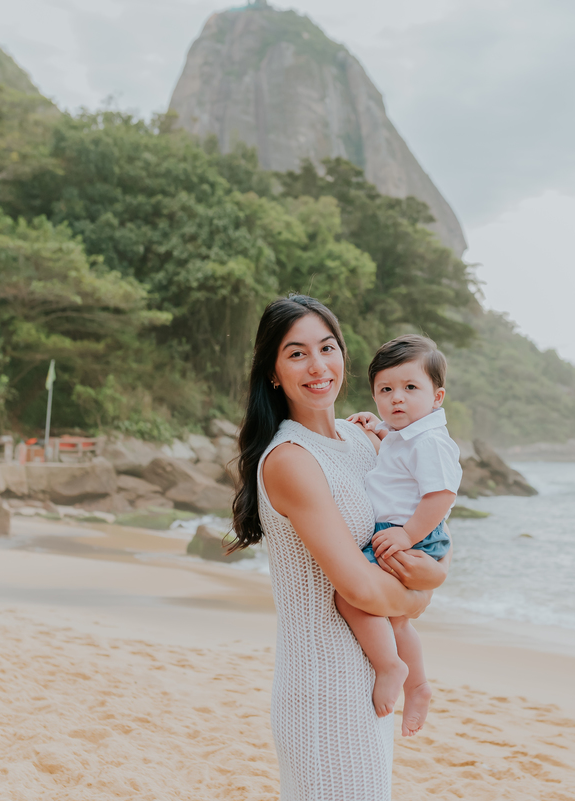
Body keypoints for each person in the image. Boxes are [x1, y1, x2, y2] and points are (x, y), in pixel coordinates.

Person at [231, 296, 451, 801]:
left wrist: (433, 575)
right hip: (323, 689)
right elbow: (356, 586)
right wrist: (420, 596)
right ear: (272, 372)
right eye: (296, 354)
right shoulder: (291, 459)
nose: (317, 366)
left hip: (373, 682)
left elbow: (434, 528)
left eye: (327, 347)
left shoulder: (367, 441)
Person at [338, 335, 460, 738]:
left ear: (437, 396)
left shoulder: (431, 441)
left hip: (412, 535)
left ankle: (391, 666)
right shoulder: (406, 435)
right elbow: (395, 455)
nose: (397, 399)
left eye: (411, 388)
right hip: (401, 533)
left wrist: (408, 534)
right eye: (385, 391)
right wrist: (375, 429)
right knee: (397, 618)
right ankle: (419, 685)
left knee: (351, 596)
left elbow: (440, 495)